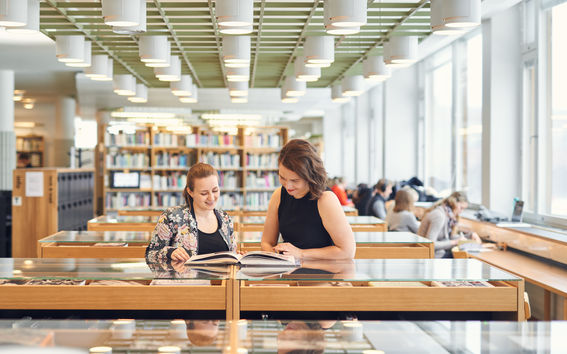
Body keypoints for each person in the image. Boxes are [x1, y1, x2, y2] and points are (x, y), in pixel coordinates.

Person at [261, 139, 355, 260]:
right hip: (289, 271)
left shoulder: (325, 199)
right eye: (282, 177)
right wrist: (277, 257)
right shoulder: (279, 195)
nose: (287, 186)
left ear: (310, 176)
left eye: (295, 181)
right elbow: (266, 242)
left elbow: (347, 251)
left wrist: (300, 254)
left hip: (322, 272)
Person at [145, 163, 236, 263]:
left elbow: (232, 255)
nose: (211, 198)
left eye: (215, 190)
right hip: (184, 278)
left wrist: (239, 257)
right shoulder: (172, 216)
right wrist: (170, 252)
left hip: (221, 278)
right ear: (190, 192)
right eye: (204, 193)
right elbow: (151, 254)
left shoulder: (225, 218)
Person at [417, 191, 481, 258]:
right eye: (461, 208)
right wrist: (455, 242)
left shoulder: (449, 216)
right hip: (429, 256)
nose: (461, 212)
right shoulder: (439, 216)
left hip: (437, 254)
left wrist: (470, 235)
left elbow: (450, 237)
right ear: (454, 203)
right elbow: (430, 244)